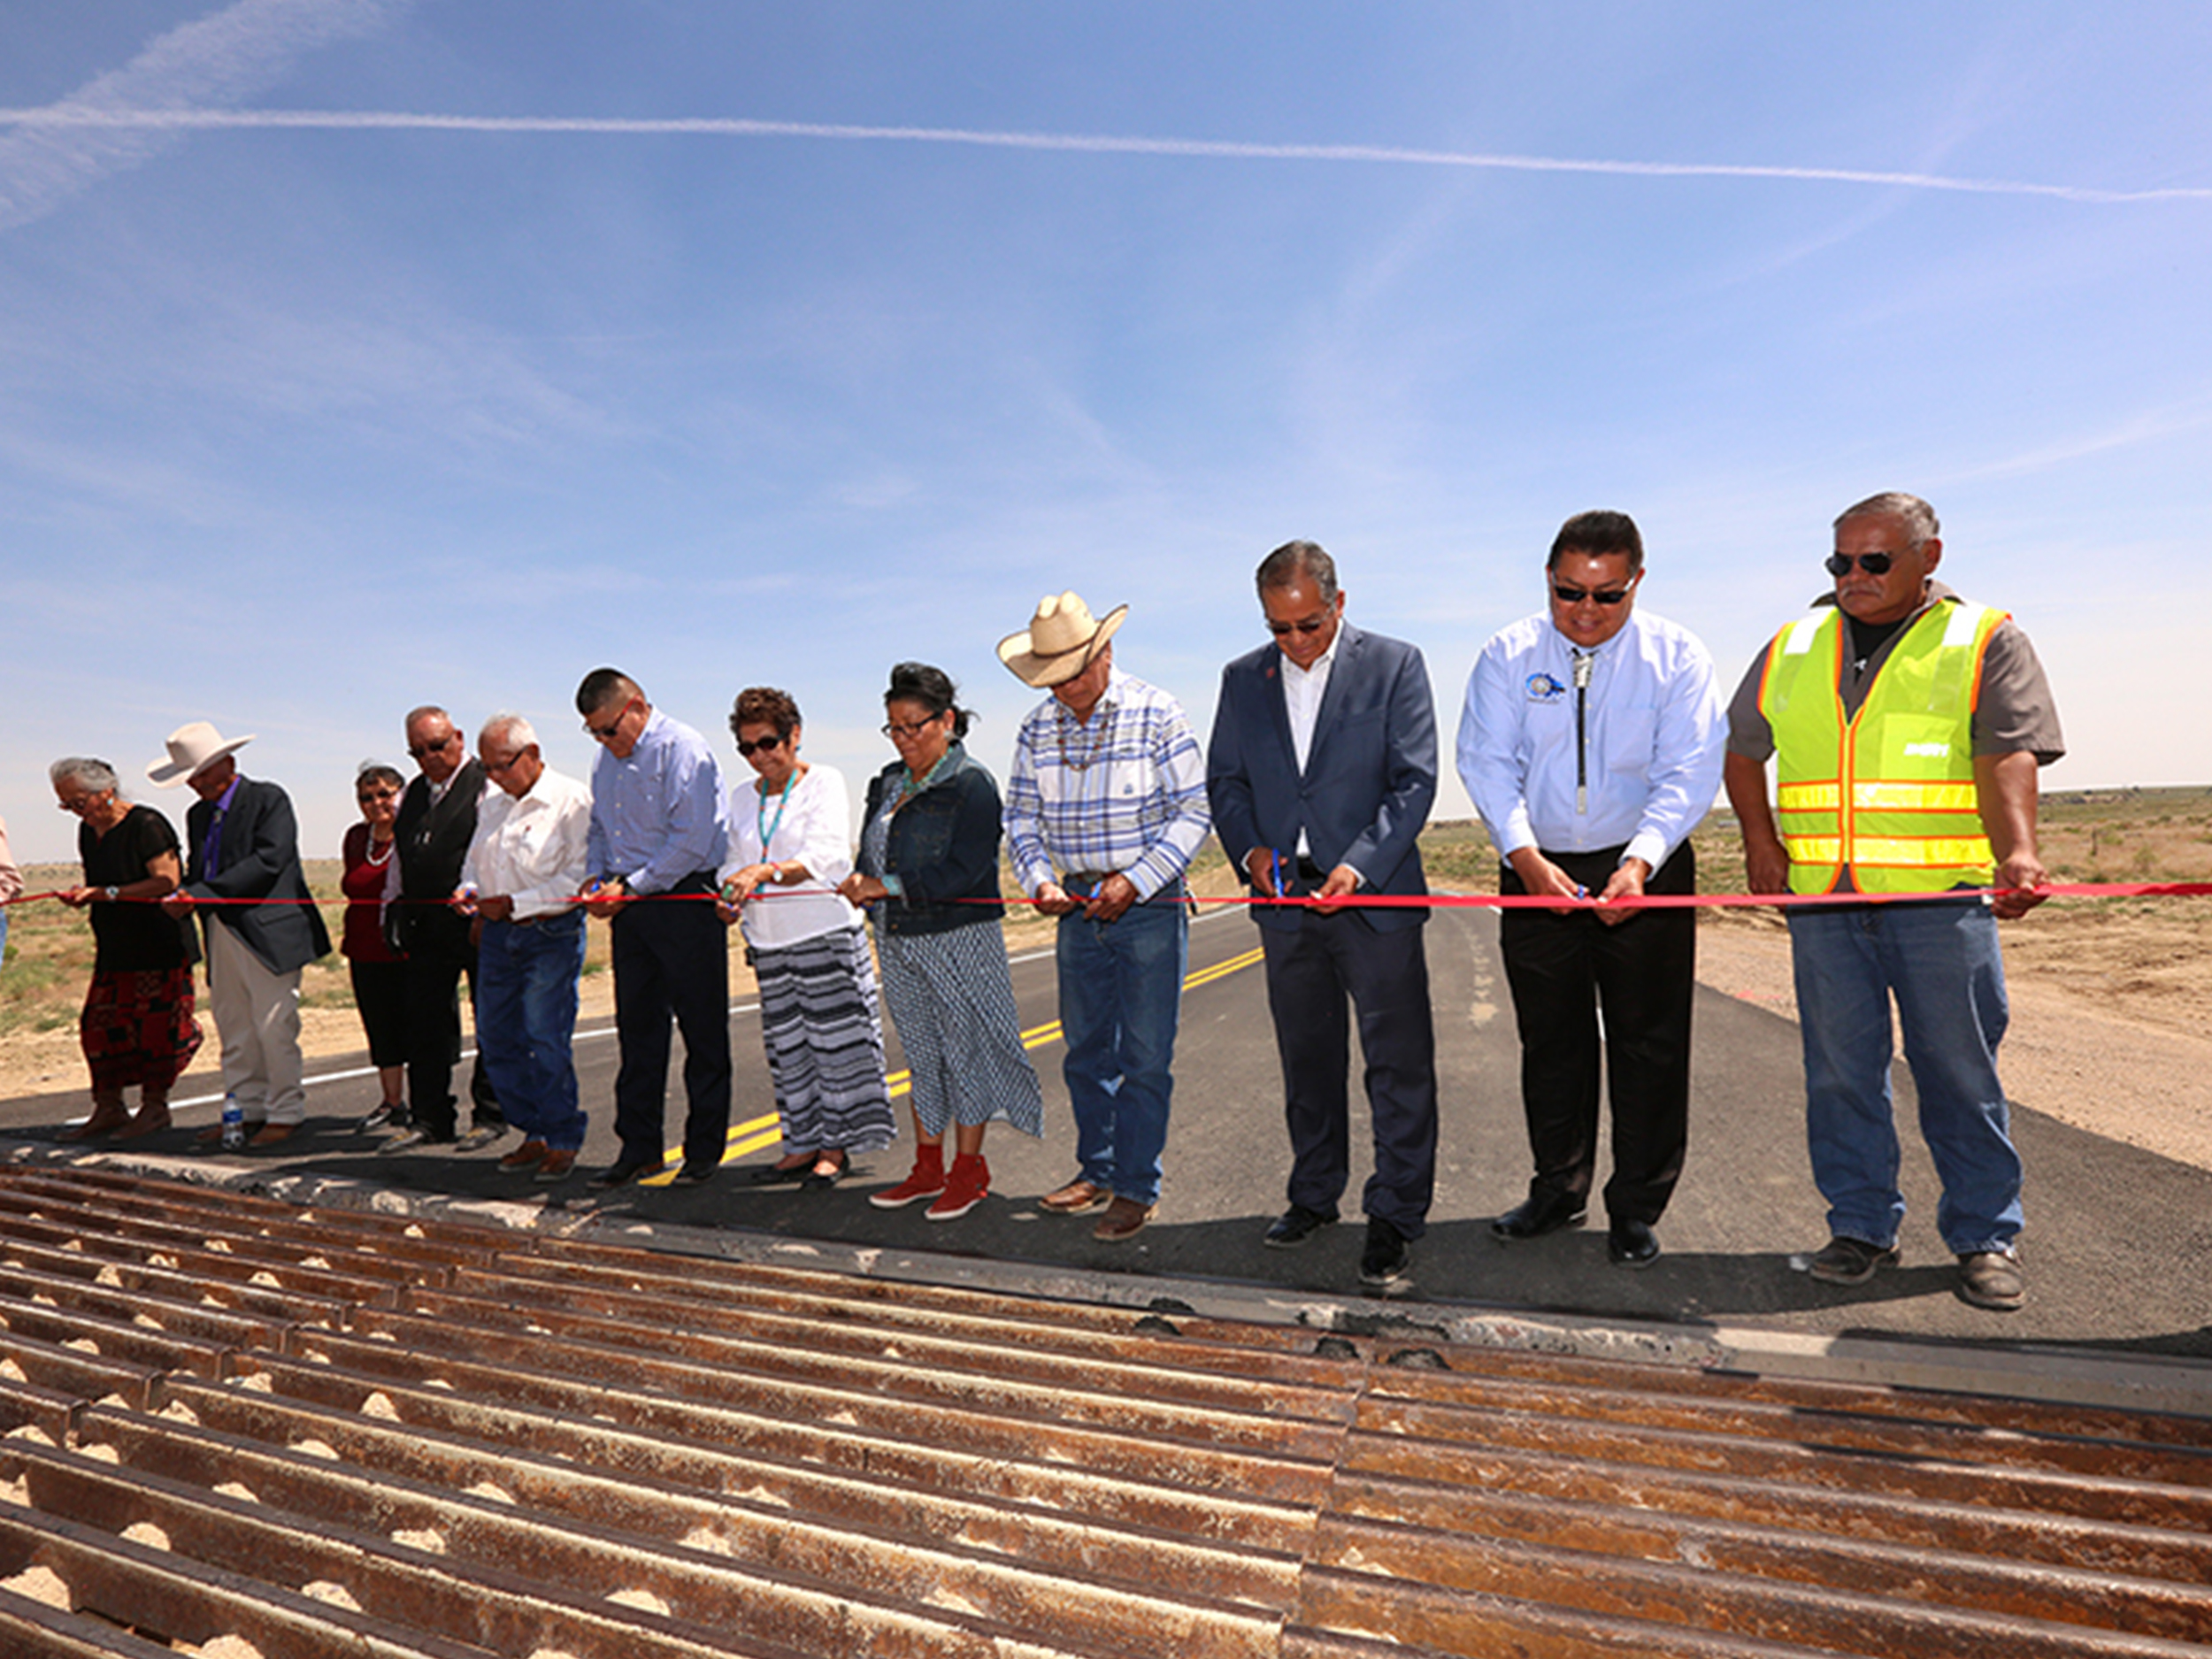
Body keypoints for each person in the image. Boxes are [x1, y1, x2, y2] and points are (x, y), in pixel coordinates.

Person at [1724, 492, 2064, 1313]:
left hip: (1938, 901)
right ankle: (1861, 1227)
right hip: (1825, 904)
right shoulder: (1793, 642)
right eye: (1840, 562)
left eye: (1874, 561)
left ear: (1929, 556)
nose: (1854, 576)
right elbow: (1742, 750)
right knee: (1842, 1073)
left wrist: (2018, 849)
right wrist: (1762, 845)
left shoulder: (1983, 637)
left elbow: (2008, 753)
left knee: (1958, 1071)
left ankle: (1985, 1235)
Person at [1457, 511, 1726, 1268]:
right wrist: (1527, 859)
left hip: (1645, 864)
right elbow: (1487, 761)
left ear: (1637, 581)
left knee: (1649, 1042)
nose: (1585, 611)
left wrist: (1638, 861)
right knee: (1552, 1041)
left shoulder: (1676, 656)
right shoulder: (1508, 654)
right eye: (1569, 591)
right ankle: (1557, 1188)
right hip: (1536, 865)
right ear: (1549, 577)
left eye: (1607, 596)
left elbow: (1689, 769)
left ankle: (1636, 1205)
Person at [1206, 541, 1440, 1288]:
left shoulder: (1396, 664)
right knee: (1307, 1062)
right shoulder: (1243, 679)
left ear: (1339, 603)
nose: (1297, 642)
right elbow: (1227, 783)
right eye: (1280, 628)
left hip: (1373, 899)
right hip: (1284, 903)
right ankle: (1314, 1194)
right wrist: (1250, 855)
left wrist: (1360, 863)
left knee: (1398, 1067)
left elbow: (1414, 781)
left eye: (1309, 624)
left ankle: (1396, 1215)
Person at [1000, 592, 1210, 1243]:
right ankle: (1095, 1169)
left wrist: (1137, 880)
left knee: (1145, 1055)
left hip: (1148, 906)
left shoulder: (1156, 712)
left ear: (1105, 652)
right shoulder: (1037, 728)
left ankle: (1135, 1185)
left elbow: (1194, 810)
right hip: (1075, 908)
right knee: (1087, 1052)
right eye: (1052, 678)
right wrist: (1037, 879)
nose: (1064, 688)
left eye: (1074, 673)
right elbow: (1021, 820)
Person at [839, 663, 1043, 1221]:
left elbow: (966, 870)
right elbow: (871, 849)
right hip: (899, 936)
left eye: (914, 726)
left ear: (947, 721)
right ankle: (927, 1167)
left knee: (965, 1053)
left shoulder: (972, 784)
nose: (904, 739)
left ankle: (968, 1172)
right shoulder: (885, 781)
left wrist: (890, 885)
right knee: (923, 1055)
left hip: (958, 938)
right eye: (894, 729)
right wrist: (862, 881)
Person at [717, 687, 895, 1189]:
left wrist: (764, 872)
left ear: (795, 735)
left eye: (768, 742)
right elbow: (732, 861)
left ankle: (836, 1146)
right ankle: (801, 1139)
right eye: (747, 747)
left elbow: (828, 857)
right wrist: (731, 892)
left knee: (835, 1046)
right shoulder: (739, 798)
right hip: (769, 942)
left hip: (824, 933)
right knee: (789, 1046)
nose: (759, 756)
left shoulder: (824, 783)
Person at [576, 668, 733, 1189]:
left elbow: (690, 840)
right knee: (638, 1033)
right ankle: (640, 1149)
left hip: (685, 898)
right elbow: (600, 828)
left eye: (609, 730)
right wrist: (599, 881)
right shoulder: (607, 758)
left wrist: (632, 887)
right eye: (593, 733)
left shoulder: (684, 750)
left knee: (702, 1031)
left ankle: (703, 1152)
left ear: (637, 707)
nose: (603, 742)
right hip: (632, 904)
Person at [150, 721, 331, 1148]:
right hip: (221, 928)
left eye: (202, 776)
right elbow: (202, 868)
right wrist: (186, 894)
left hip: (267, 932)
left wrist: (199, 893)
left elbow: (269, 861)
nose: (196, 786)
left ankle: (285, 1111)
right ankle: (245, 1110)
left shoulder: (268, 799)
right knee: (234, 1026)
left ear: (227, 764)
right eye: (191, 779)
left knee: (274, 1025)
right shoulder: (198, 815)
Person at [457, 713, 594, 1183]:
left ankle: (562, 1137)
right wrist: (469, 890)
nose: (493, 776)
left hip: (548, 935)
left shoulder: (572, 800)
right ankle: (532, 1130)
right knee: (496, 1039)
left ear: (532, 755)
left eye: (502, 765)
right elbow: (477, 859)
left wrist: (515, 903)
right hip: (496, 936)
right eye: (487, 767)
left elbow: (579, 879)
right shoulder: (492, 800)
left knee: (544, 1037)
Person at [50, 758, 203, 1140]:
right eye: (66, 805)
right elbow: (98, 882)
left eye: (79, 802)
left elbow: (167, 880)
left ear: (107, 791)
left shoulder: (146, 824)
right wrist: (86, 896)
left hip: (158, 943)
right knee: (99, 1028)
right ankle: (109, 1107)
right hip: (114, 946)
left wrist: (106, 894)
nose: (74, 812)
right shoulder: (89, 832)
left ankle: (154, 1109)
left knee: (156, 1029)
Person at [382, 706, 504, 1153]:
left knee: (489, 1019)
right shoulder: (413, 794)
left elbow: (495, 850)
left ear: (458, 737)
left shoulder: (487, 785)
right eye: (417, 752)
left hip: (475, 923)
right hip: (425, 925)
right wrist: (389, 906)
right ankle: (431, 1118)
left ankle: (491, 1115)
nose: (429, 757)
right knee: (425, 1023)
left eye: (437, 746)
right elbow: (400, 856)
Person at [341, 763, 409, 1131]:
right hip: (364, 947)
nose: (376, 802)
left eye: (385, 793)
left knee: (414, 1026)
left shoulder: (413, 833)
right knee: (380, 1027)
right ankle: (392, 1101)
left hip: (405, 948)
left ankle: (428, 1105)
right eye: (367, 797)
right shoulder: (355, 838)